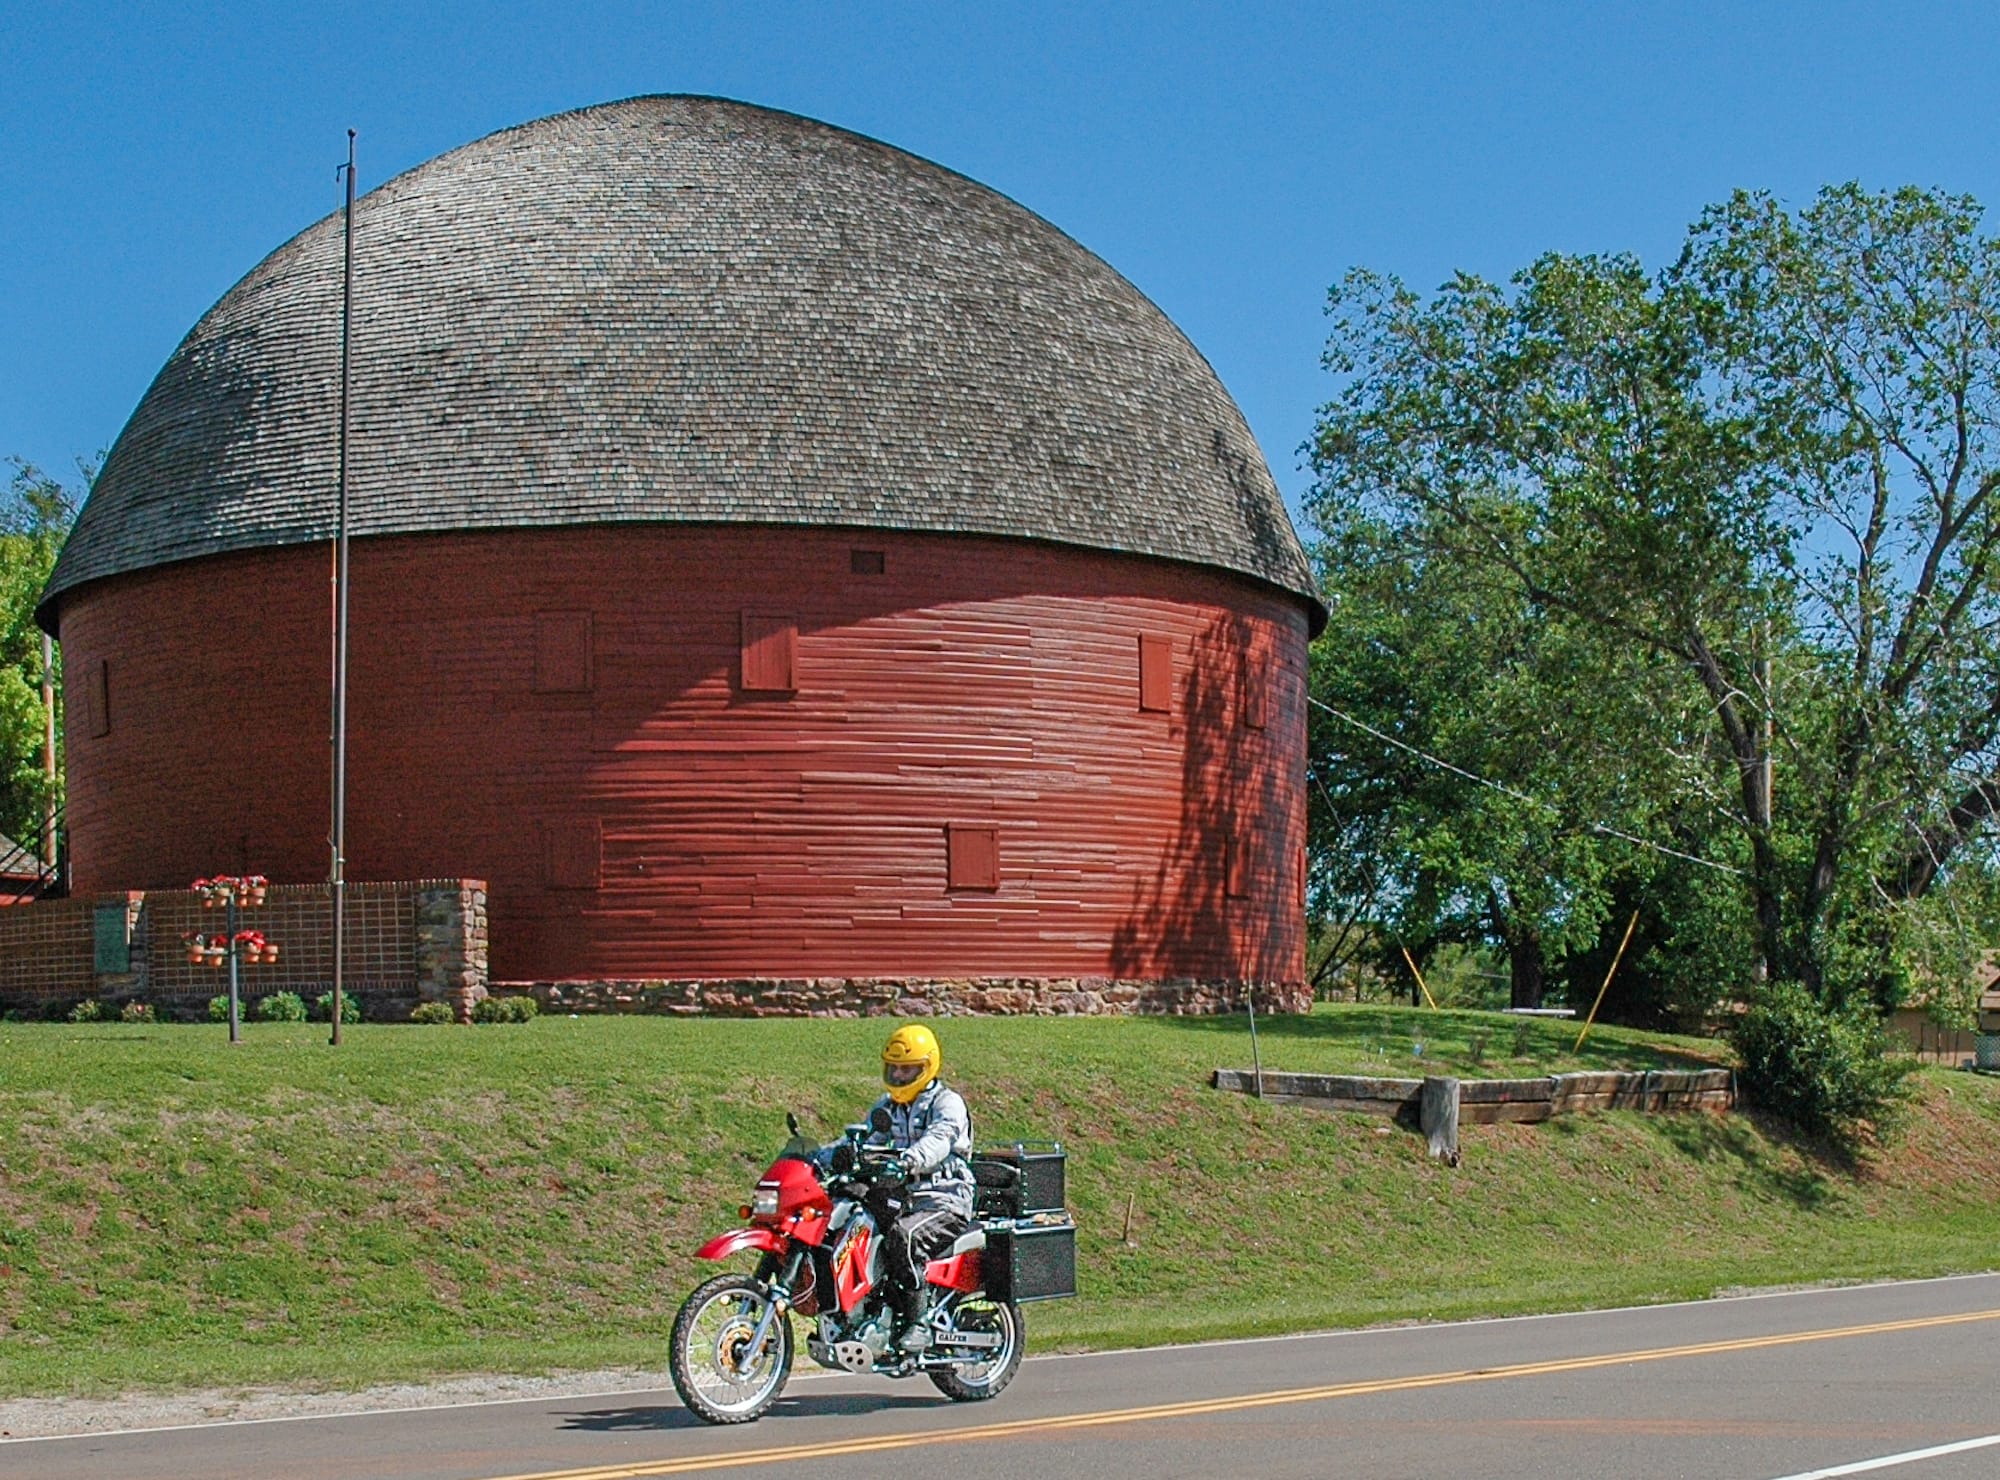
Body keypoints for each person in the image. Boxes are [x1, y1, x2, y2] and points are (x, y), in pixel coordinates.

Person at [829, 1022, 974, 1352]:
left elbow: (938, 1141)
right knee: (853, 1221)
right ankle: (869, 1310)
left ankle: (917, 1322)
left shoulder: (947, 1103)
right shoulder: (888, 1105)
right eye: (894, 1069)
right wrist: (825, 1155)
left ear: (927, 1066)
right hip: (903, 1196)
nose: (899, 1076)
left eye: (907, 1070)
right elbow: (868, 1137)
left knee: (904, 1237)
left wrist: (908, 1160)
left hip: (944, 1198)